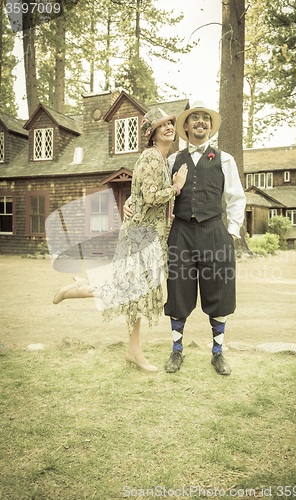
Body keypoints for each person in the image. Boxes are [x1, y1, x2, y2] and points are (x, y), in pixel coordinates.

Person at [53, 107, 188, 374]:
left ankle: (133, 351)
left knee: (135, 296)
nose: (169, 128)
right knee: (130, 292)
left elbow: (139, 195)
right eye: (163, 126)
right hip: (139, 238)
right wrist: (176, 187)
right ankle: (78, 290)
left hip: (149, 238)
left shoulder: (162, 158)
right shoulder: (151, 156)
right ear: (152, 134)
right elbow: (150, 197)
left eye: (171, 124)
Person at [124, 101, 246, 375]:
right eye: (195, 118)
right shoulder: (170, 160)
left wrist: (233, 231)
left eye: (205, 118)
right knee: (178, 293)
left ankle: (217, 353)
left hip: (215, 231)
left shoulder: (225, 159)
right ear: (186, 126)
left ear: (211, 126)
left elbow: (236, 198)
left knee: (219, 292)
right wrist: (131, 201)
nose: (200, 122)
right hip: (180, 234)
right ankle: (176, 351)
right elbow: (150, 185)